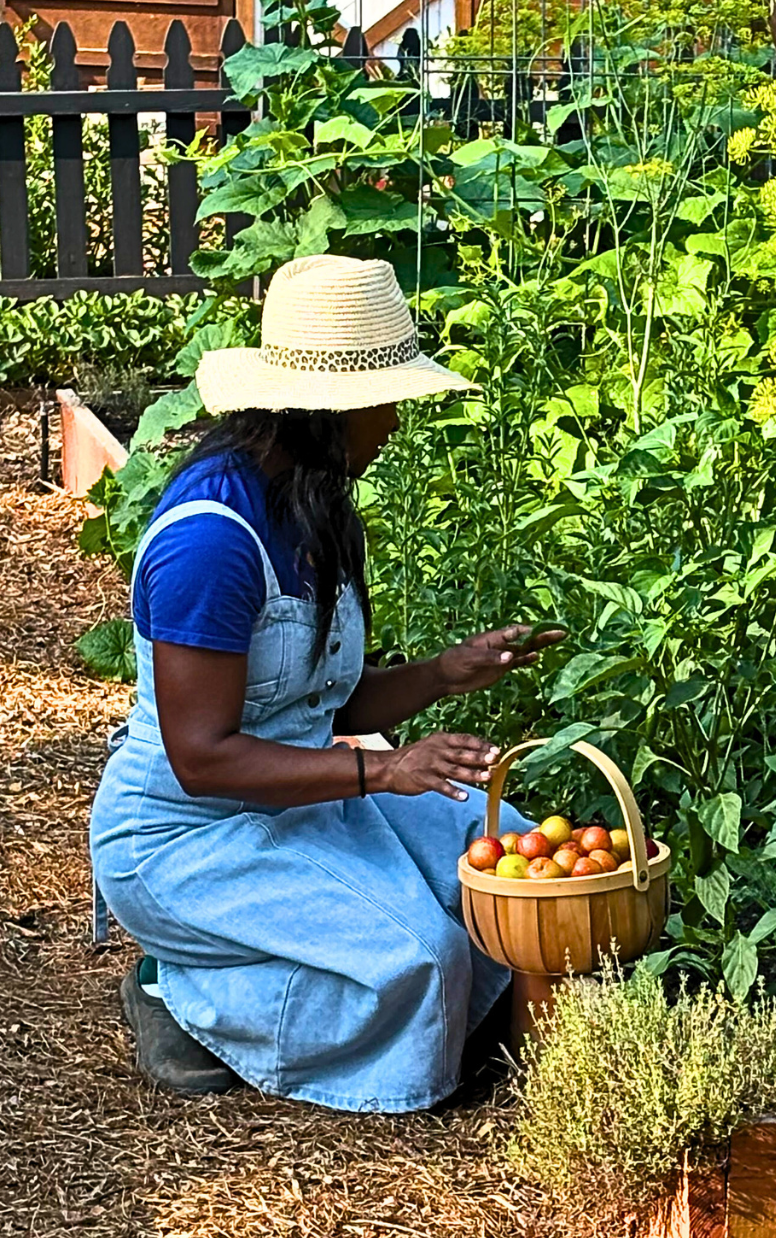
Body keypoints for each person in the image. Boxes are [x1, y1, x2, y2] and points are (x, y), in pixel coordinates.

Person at [90, 255, 561, 1106]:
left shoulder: (313, 503)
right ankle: (180, 991)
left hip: (298, 794)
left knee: (507, 866)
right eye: (383, 401)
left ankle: (448, 1018)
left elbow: (320, 701)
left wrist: (445, 674)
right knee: (422, 956)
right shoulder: (212, 543)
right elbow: (204, 758)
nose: (392, 423)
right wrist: (386, 769)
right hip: (187, 838)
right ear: (328, 411)